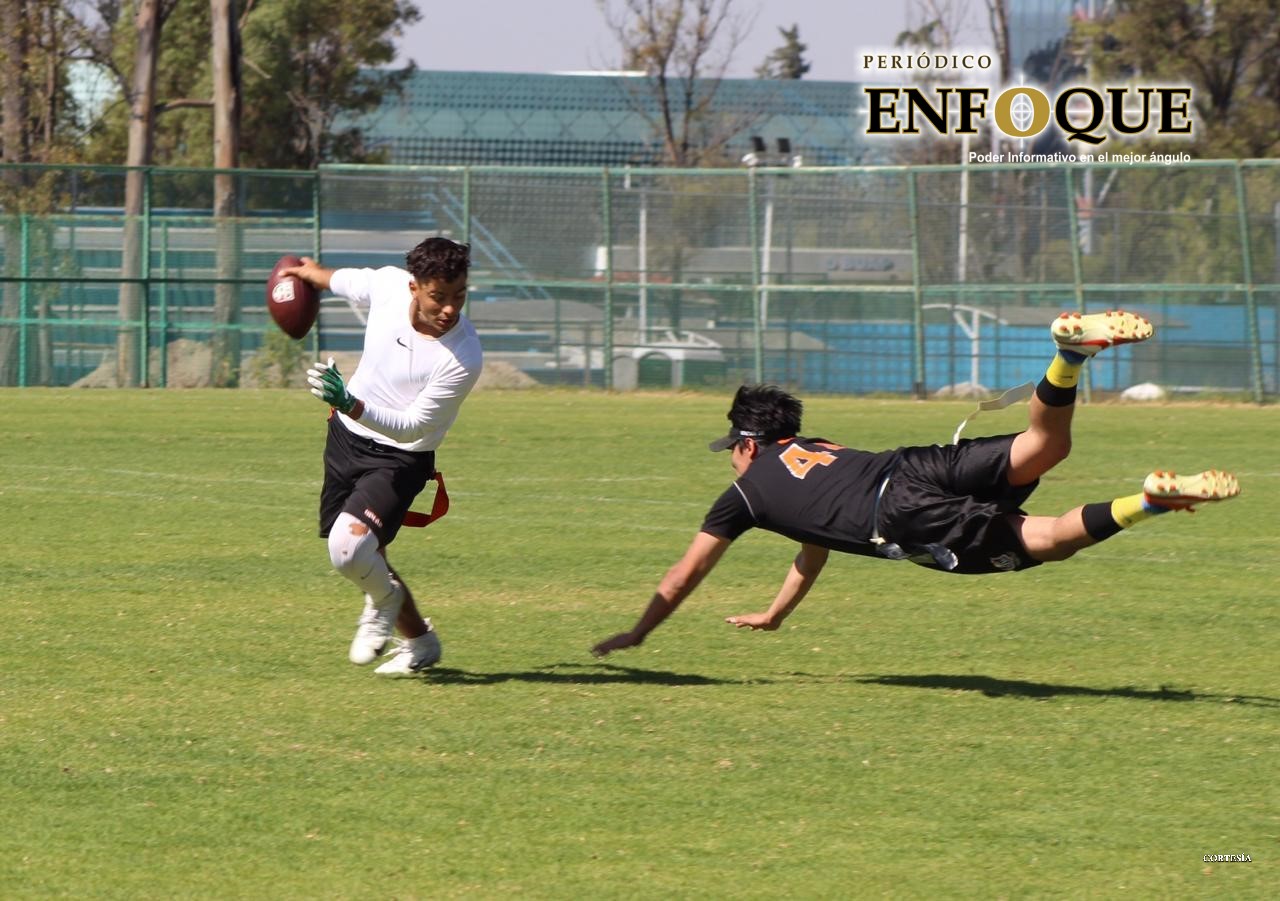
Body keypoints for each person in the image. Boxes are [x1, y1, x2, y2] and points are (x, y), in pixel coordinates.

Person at [591, 310, 1239, 657]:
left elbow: (683, 575)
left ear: (749, 443)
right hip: (912, 463)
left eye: (731, 447)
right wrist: (775, 613)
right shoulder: (820, 447)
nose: (731, 459)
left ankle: (1148, 500)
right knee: (1047, 445)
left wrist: (639, 632)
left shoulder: (745, 495)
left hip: (900, 513)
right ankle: (1068, 357)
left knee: (1044, 538)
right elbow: (812, 542)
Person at [284, 237, 483, 676]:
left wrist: (349, 400)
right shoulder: (390, 286)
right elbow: (345, 281)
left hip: (400, 457)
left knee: (348, 549)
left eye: (459, 296)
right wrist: (308, 273)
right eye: (439, 296)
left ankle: (384, 603)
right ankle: (422, 643)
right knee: (367, 554)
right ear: (414, 287)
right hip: (344, 440)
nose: (450, 309)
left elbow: (412, 425)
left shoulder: (464, 356)